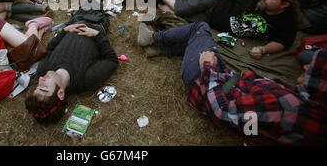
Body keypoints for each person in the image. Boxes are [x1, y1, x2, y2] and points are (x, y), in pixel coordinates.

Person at [137, 21, 327, 145]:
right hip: (225, 78)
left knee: (200, 28)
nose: (305, 66)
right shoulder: (312, 110)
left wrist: (208, 69)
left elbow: (221, 112)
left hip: (203, 82)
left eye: (313, 67)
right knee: (200, 43)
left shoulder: (287, 106)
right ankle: (159, 50)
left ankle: (154, 38)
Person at [160, 0, 301, 57]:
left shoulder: (288, 20)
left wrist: (263, 49)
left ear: (285, 5)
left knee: (177, 16)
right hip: (213, 1)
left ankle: (162, 2)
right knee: (181, 9)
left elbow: (283, 42)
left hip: (210, 21)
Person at [24, 16, 119, 124]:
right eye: (44, 87)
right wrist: (97, 35)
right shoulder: (87, 79)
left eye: (38, 86)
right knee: (94, 0)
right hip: (96, 23)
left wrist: (65, 30)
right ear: (61, 94)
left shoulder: (43, 70)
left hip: (74, 21)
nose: (41, 79)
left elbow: (50, 49)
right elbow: (112, 60)